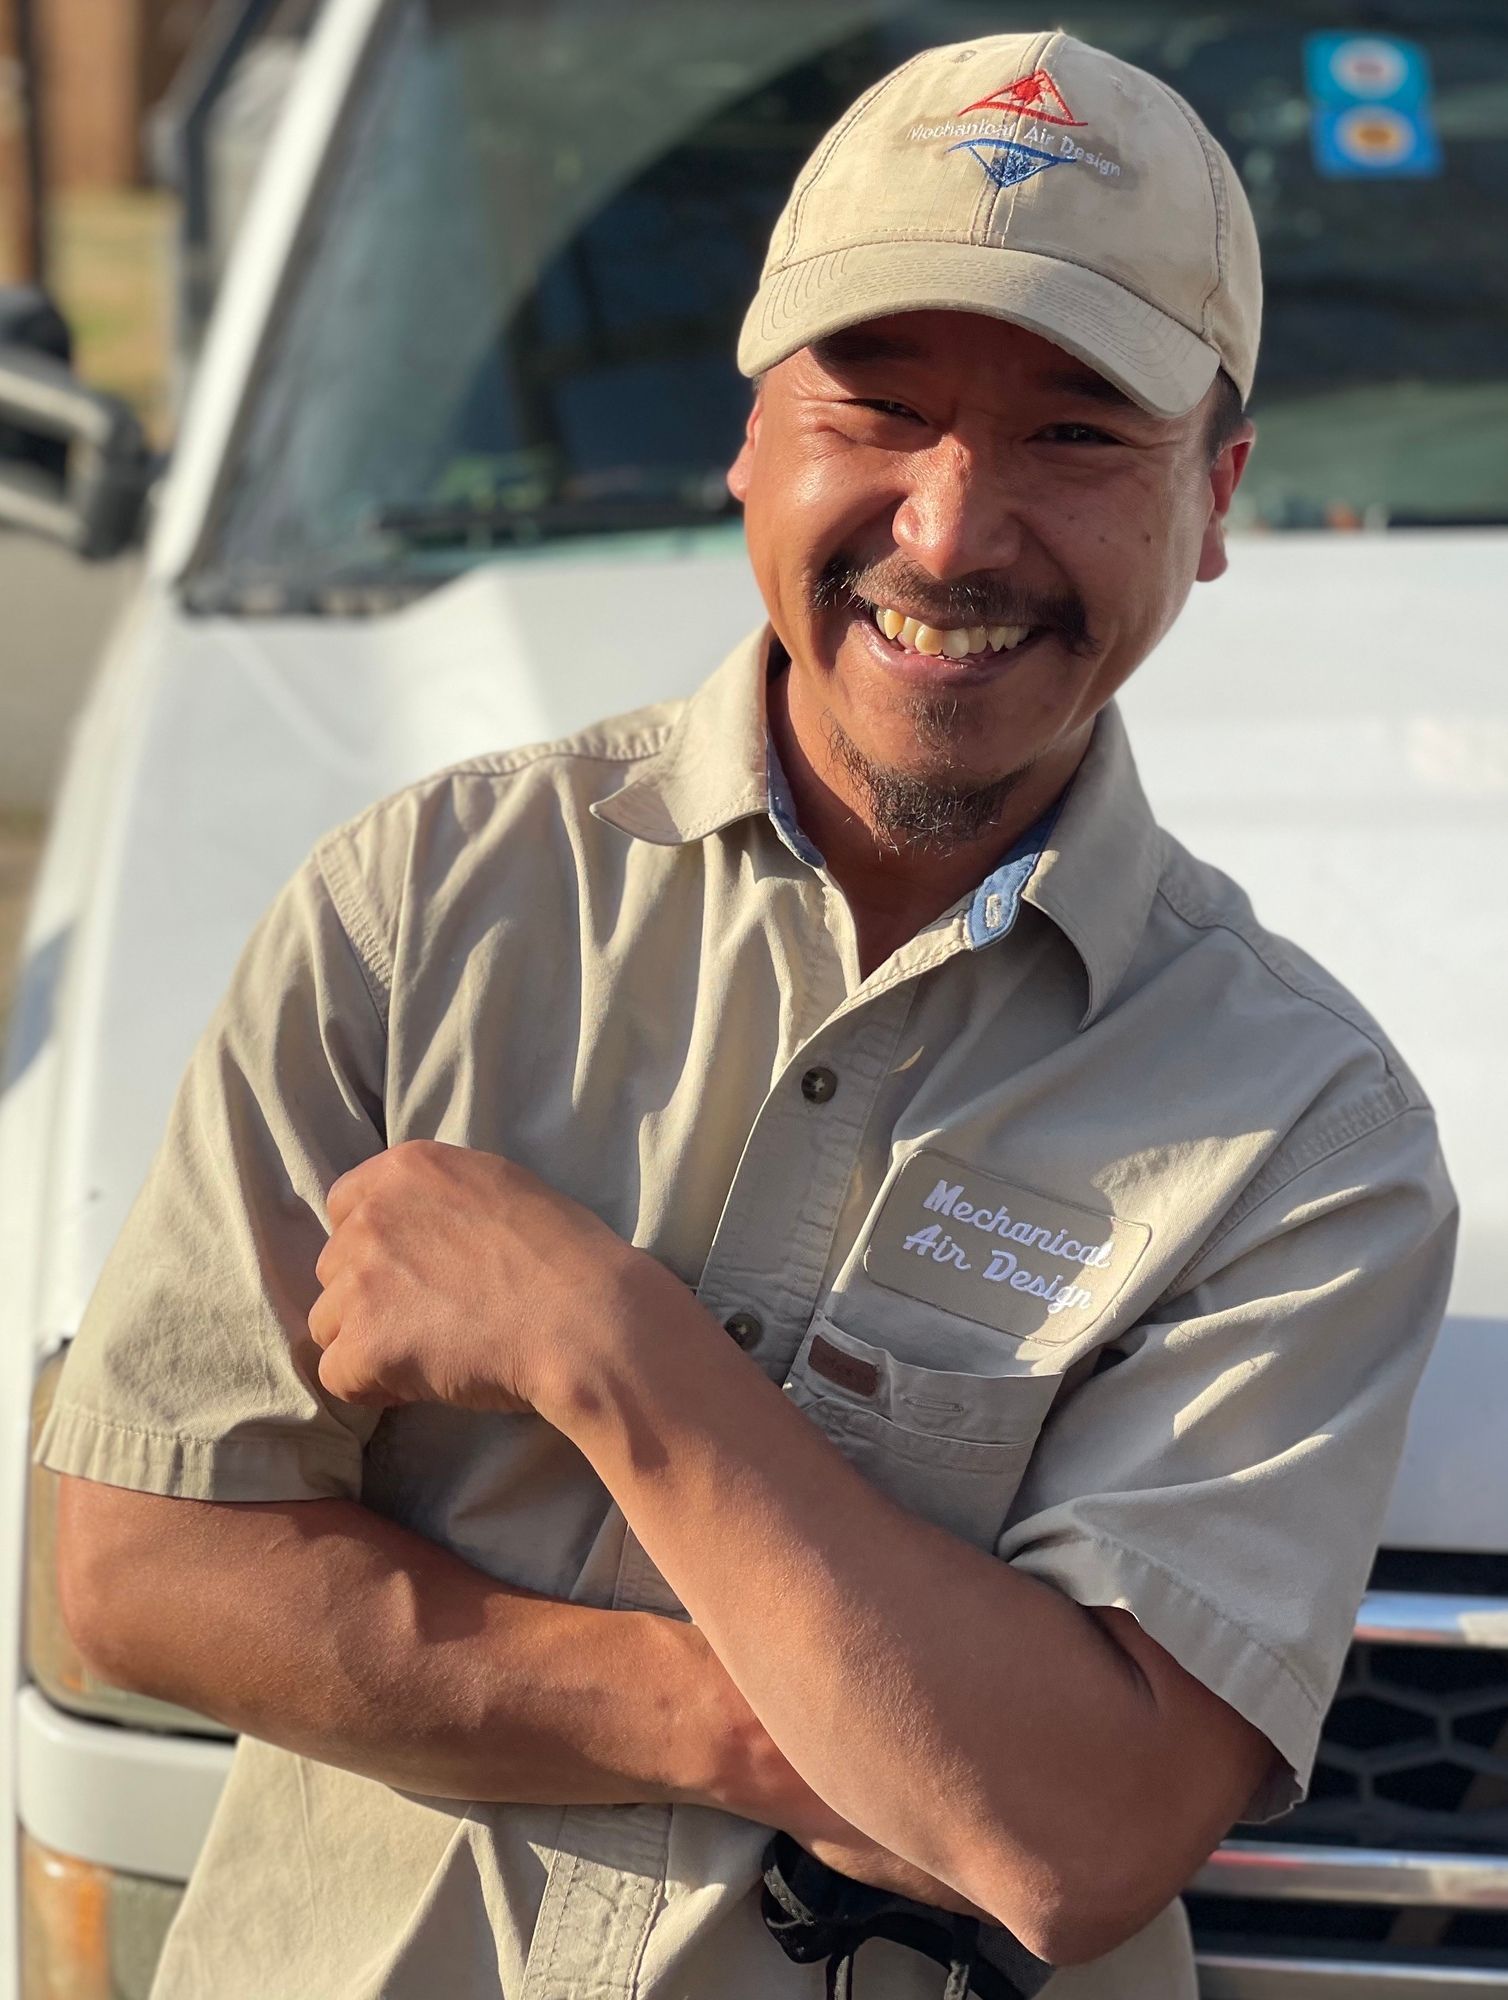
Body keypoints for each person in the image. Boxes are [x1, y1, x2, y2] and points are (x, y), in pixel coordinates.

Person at [41, 28, 1456, 2000]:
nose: (950, 532)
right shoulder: (425, 904)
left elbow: (1067, 1838)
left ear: (1211, 497)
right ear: (750, 442)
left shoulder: (1306, 1134)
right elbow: (132, 1568)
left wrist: (598, 1339)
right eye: (873, 407)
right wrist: (757, 1721)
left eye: (1073, 436)